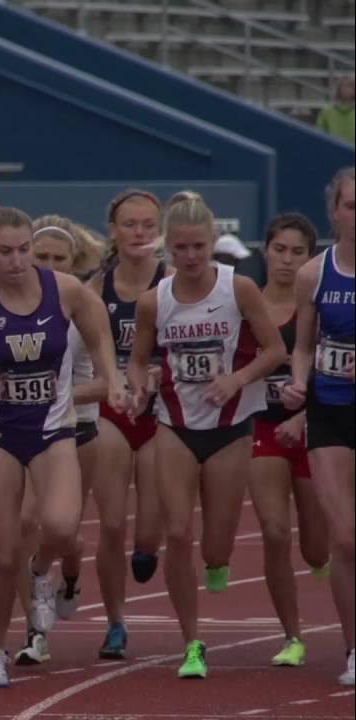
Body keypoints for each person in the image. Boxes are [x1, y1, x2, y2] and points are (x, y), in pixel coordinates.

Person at [0, 203, 124, 688]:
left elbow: (99, 331)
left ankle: (42, 570)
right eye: (5, 251)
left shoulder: (63, 289)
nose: (18, 260)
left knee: (63, 526)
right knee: (3, 553)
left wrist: (113, 380)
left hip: (55, 428)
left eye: (24, 249)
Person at [130, 192, 286, 679]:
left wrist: (237, 379)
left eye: (198, 246)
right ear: (167, 249)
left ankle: (218, 562)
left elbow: (275, 350)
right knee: (178, 532)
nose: (191, 256)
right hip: (174, 424)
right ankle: (192, 643)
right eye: (181, 248)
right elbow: (138, 359)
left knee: (215, 546)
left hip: (230, 425)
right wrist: (138, 386)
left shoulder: (237, 289)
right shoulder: (155, 300)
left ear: (213, 243)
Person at [13, 217, 110, 666]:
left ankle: (68, 574)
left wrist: (60, 392)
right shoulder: (9, 301)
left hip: (77, 428)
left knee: (64, 530)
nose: (49, 265)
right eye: (41, 257)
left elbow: (106, 383)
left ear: (75, 264)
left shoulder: (83, 304)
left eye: (59, 259)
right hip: (22, 429)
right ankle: (35, 628)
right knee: (25, 523)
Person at [86, 188, 168, 660]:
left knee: (149, 531)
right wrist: (110, 381)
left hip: (161, 413)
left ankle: (148, 549)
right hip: (113, 410)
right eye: (130, 224)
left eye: (148, 225)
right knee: (112, 523)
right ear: (114, 231)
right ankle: (116, 622)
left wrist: (160, 374)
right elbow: (84, 354)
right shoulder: (97, 287)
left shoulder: (174, 281)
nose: (139, 233)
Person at [282, 167, 356, 687]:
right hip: (330, 410)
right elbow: (303, 346)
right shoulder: (313, 274)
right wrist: (297, 383)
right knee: (346, 538)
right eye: (351, 205)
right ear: (335, 211)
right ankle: (354, 649)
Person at [248, 213, 330, 670]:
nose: (286, 259)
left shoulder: (317, 308)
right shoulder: (247, 303)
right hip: (260, 428)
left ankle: (326, 566)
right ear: (266, 251)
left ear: (310, 257)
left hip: (315, 428)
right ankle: (292, 635)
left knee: (317, 547)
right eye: (279, 249)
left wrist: (303, 415)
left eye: (298, 252)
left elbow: (330, 370)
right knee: (275, 531)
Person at [317, 76, 355, 145]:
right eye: (344, 87)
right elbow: (319, 134)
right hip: (333, 151)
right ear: (339, 89)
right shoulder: (327, 112)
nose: (347, 90)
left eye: (350, 87)